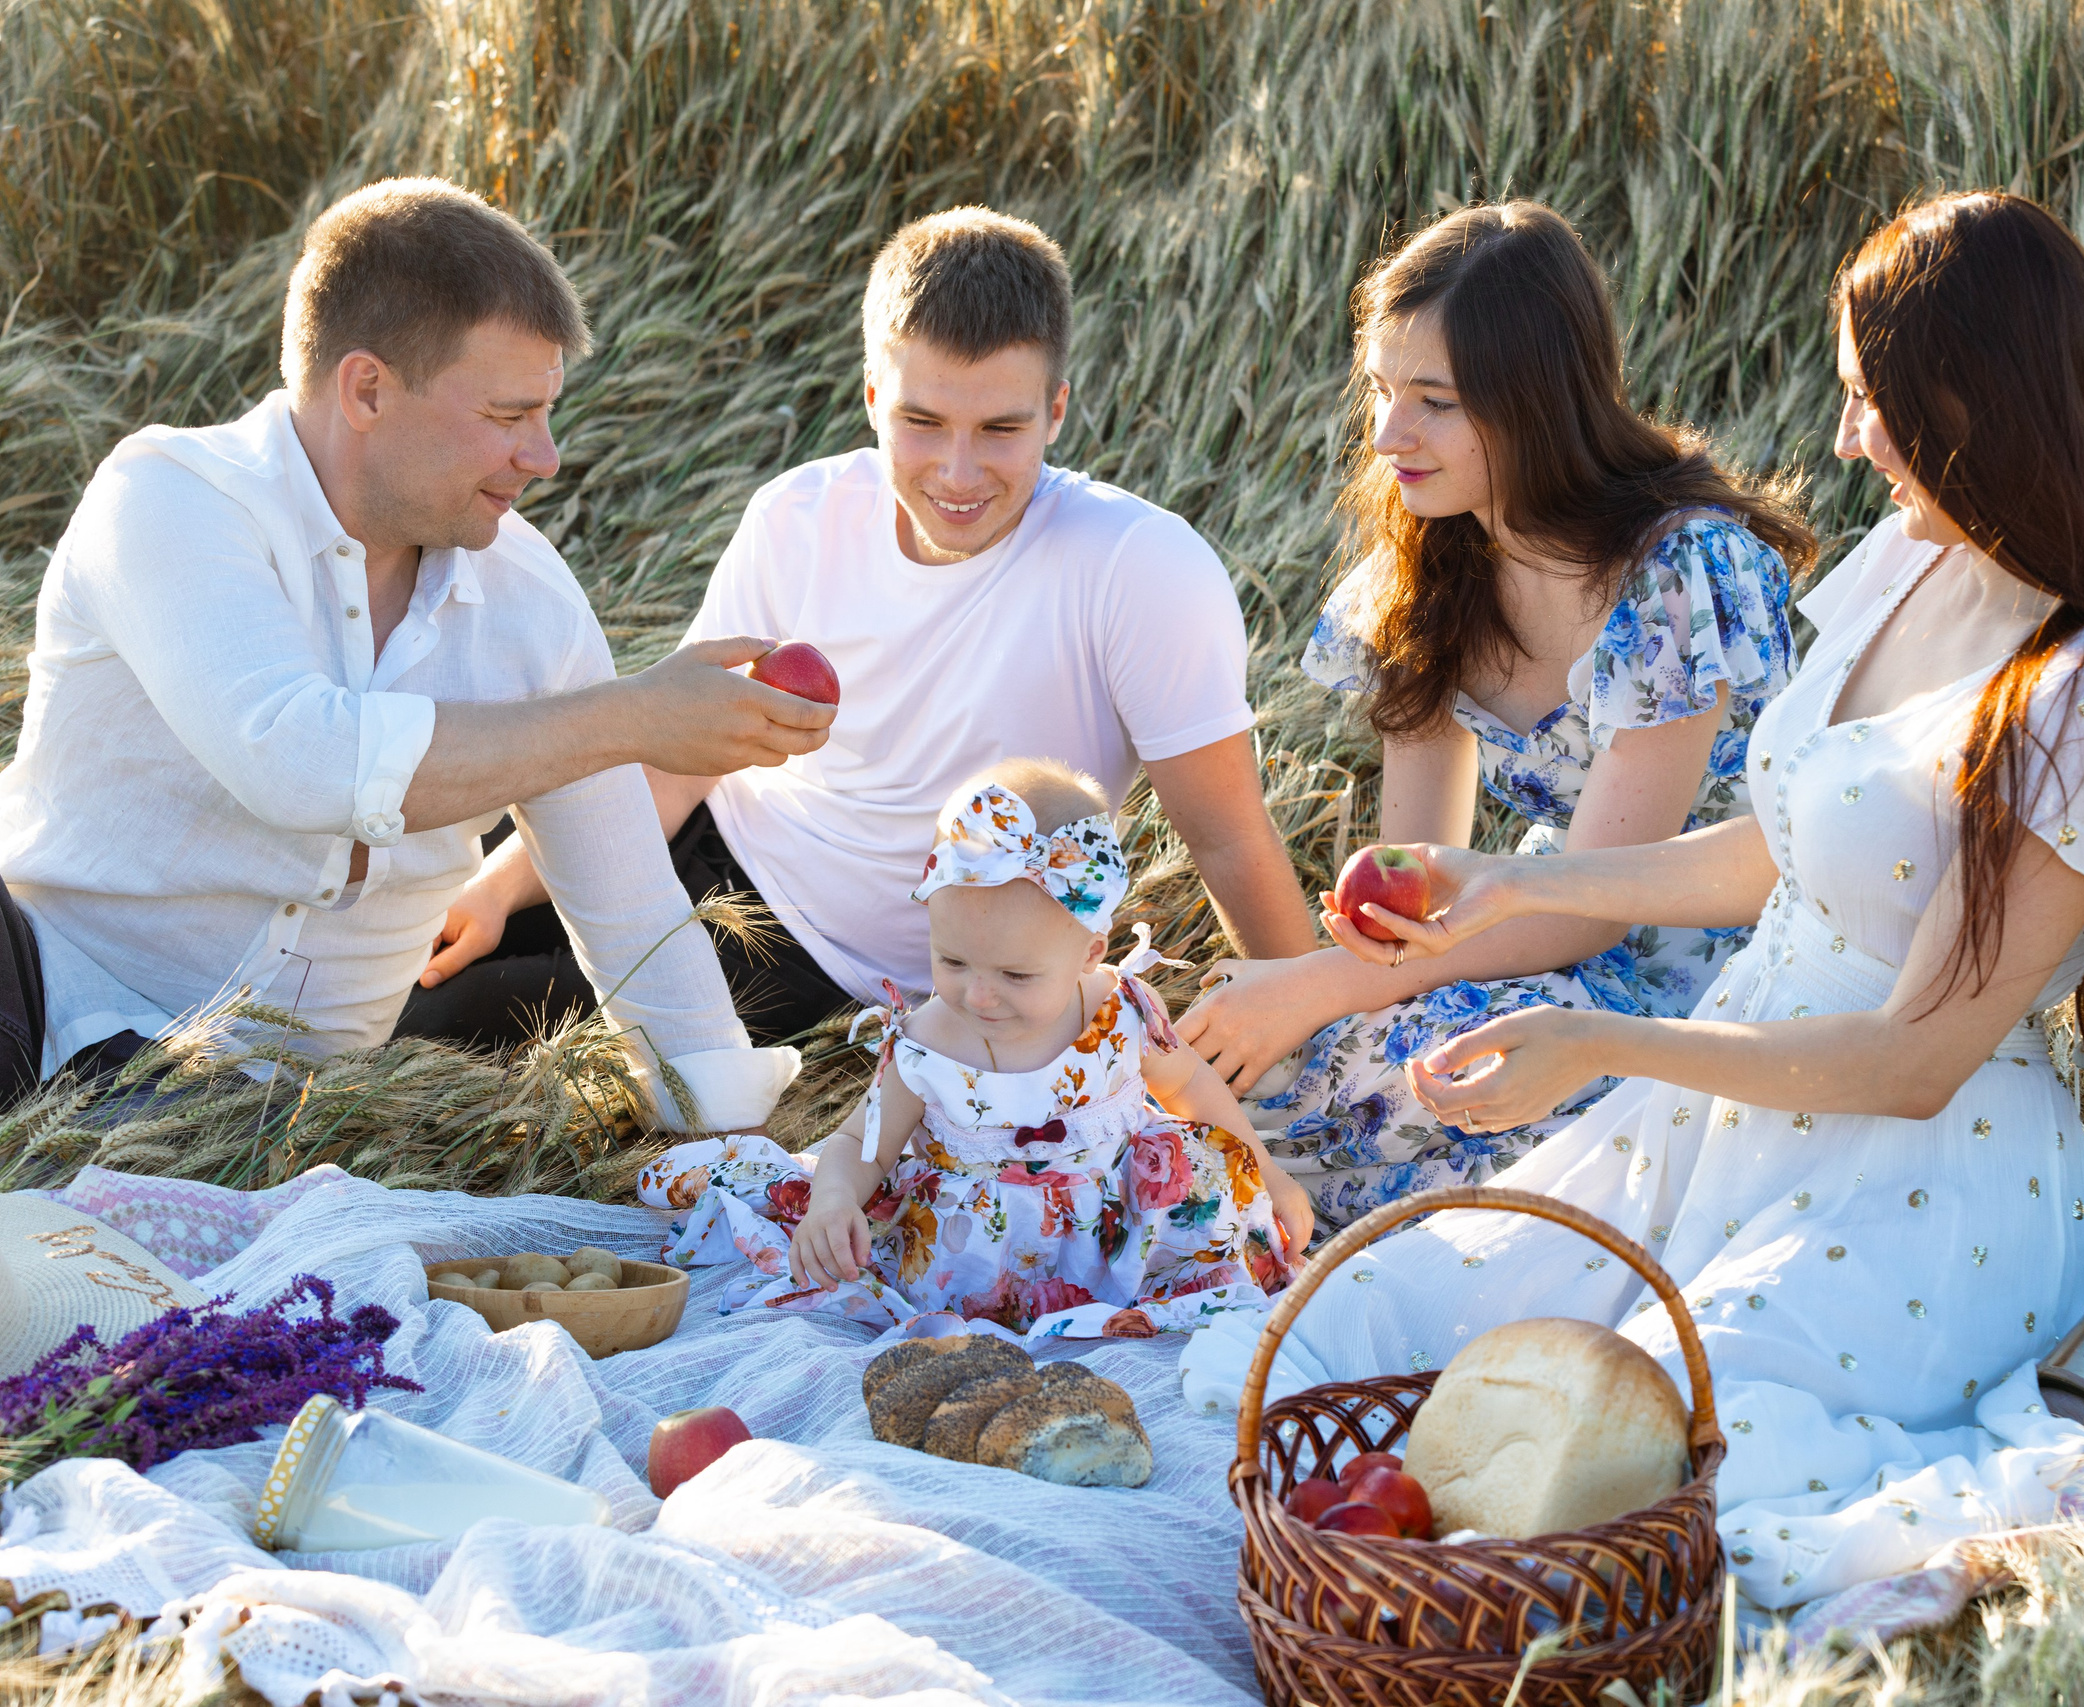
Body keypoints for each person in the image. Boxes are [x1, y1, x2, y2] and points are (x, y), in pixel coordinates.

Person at [1180, 190, 2084, 1611]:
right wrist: (1503, 881)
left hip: (1920, 1175)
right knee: (1368, 1310)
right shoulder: (1906, 565)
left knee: (1667, 1450)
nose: (1849, 436)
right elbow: (1773, 850)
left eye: (1876, 402)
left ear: (1975, 401)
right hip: (1729, 1100)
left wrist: (1598, 1040)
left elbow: (1916, 1063)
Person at [0, 179, 828, 1129]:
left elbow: (634, 913)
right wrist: (632, 717)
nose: (545, 455)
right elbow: (298, 758)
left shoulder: (530, 598)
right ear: (367, 389)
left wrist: (738, 1156)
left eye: (547, 412)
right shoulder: (168, 499)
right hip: (38, 1012)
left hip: (277, 1122)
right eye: (508, 415)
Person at [399, 207, 1314, 1052]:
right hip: (696, 836)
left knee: (429, 1021)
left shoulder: (1141, 569)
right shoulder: (797, 515)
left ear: (1059, 410)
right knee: (391, 917)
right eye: (922, 421)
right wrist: (505, 885)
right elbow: (683, 763)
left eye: (1001, 427)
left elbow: (1227, 835)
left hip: (812, 960)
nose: (958, 472)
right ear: (873, 396)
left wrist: (1307, 1022)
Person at [1176, 202, 1814, 1233]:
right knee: (1263, 1082)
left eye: (1434, 401)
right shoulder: (1431, 570)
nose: (1389, 435)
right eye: (1382, 391)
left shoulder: (1678, 570)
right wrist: (1351, 967)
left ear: (1534, 400)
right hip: (1516, 934)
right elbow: (1418, 870)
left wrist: (1318, 983)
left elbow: (1596, 908)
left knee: (1438, 1066)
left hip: (1703, 966)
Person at [636, 759, 1313, 1340]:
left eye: (1016, 975)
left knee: (1227, 1257)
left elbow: (1194, 1091)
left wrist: (1272, 1176)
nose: (979, 995)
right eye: (952, 960)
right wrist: (834, 1200)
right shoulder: (927, 1042)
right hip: (979, 1266)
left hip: (1124, 1232)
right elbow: (860, 1145)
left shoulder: (1119, 1009)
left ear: (1090, 952)